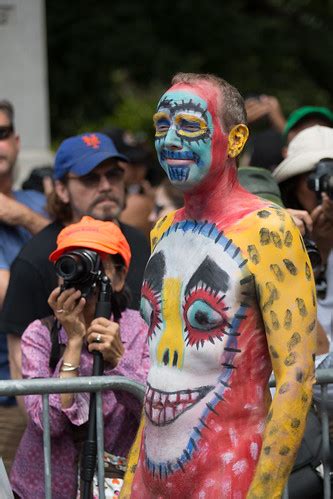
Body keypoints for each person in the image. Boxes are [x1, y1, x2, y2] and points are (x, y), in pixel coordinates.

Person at [121, 72, 316, 499]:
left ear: (235, 138)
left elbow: (295, 376)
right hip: (151, 481)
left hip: (229, 476)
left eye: (189, 125)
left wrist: (263, 492)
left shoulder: (268, 229)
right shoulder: (162, 231)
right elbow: (159, 378)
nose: (169, 139)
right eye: (161, 126)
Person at [0, 133, 150, 408]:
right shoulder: (35, 257)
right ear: (61, 189)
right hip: (57, 433)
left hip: (129, 427)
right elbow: (19, 365)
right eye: (90, 178)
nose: (105, 186)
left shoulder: (140, 243)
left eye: (114, 175)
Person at [10, 216, 149, 498]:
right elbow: (47, 424)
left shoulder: (141, 330)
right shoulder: (39, 334)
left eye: (95, 263)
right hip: (43, 489)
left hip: (113, 487)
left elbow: (152, 413)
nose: (82, 273)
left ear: (120, 277)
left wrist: (118, 361)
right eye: (72, 263)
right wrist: (73, 342)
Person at [0, 100, 50, 473]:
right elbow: (12, 299)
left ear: (16, 141)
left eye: (2, 134)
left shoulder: (36, 204)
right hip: (8, 400)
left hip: (57, 392)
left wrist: (25, 218)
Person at [273, 125, 333, 344]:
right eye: (315, 180)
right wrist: (317, 252)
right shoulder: (275, 233)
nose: (324, 192)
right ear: (293, 184)